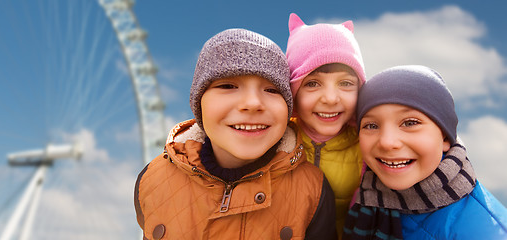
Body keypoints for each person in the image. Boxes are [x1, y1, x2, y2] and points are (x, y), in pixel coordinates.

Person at [134, 28, 337, 240]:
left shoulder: (313, 191)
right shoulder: (152, 179)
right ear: (199, 103)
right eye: (228, 85)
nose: (252, 103)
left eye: (271, 90)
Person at [344, 65, 507, 239]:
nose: (387, 142)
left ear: (444, 137)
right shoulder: (366, 195)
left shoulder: (486, 231)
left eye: (409, 123)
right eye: (371, 125)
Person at [285, 13, 366, 235]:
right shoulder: (275, 142)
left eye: (346, 83)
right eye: (312, 83)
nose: (330, 98)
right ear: (292, 92)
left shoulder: (369, 145)